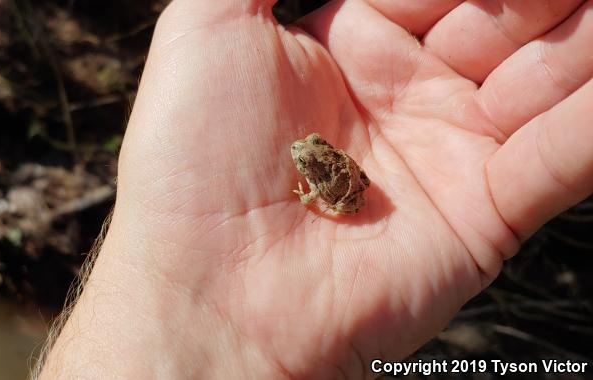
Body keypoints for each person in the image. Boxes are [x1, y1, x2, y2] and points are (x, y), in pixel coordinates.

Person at [38, 0, 593, 378]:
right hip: (352, 180)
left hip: (350, 191)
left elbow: (337, 184)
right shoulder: (316, 155)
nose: (299, 152)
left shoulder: (320, 166)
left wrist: (315, 196)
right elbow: (334, 163)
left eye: (304, 152)